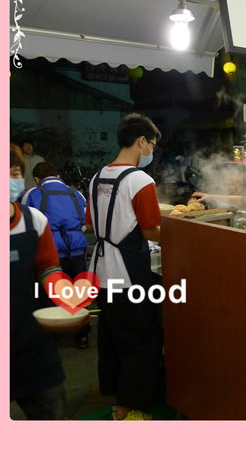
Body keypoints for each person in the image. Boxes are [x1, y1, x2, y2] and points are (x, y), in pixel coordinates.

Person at [85, 112, 163, 420]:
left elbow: (91, 224)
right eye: (152, 145)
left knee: (112, 336)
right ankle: (130, 406)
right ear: (142, 141)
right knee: (141, 340)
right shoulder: (140, 180)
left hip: (101, 273)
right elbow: (150, 230)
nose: (151, 152)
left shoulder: (96, 177)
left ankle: (117, 394)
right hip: (129, 276)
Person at [10, 144, 66, 419]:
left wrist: (63, 291)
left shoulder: (34, 221)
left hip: (32, 344)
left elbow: (47, 267)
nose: (10, 178)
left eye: (15, 171)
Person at [22, 161, 91, 348]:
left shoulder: (32, 194)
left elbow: (26, 223)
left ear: (37, 179)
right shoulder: (76, 193)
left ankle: (52, 337)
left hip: (50, 255)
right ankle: (82, 335)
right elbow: (86, 221)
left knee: (49, 295)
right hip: (77, 250)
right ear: (58, 176)